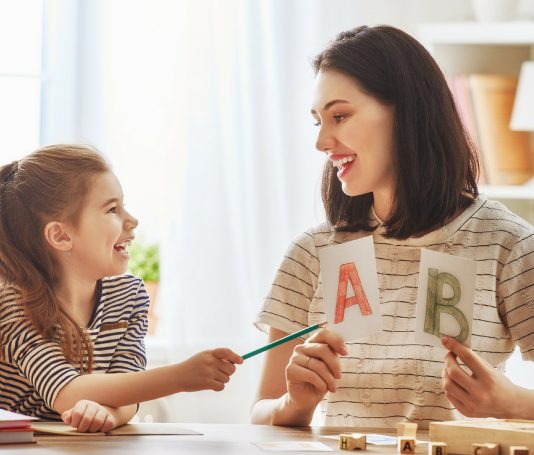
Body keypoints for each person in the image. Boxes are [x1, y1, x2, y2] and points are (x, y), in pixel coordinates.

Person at [250, 25, 534, 429]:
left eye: (341, 116)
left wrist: (513, 403)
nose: (322, 142)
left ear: (407, 112)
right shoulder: (311, 253)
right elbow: (260, 413)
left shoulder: (507, 245)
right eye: (318, 122)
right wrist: (293, 404)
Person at [0, 144, 242, 433]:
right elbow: (66, 391)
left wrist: (110, 415)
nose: (132, 220)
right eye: (112, 209)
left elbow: (129, 387)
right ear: (61, 235)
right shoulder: (14, 303)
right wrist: (179, 377)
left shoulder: (129, 296)